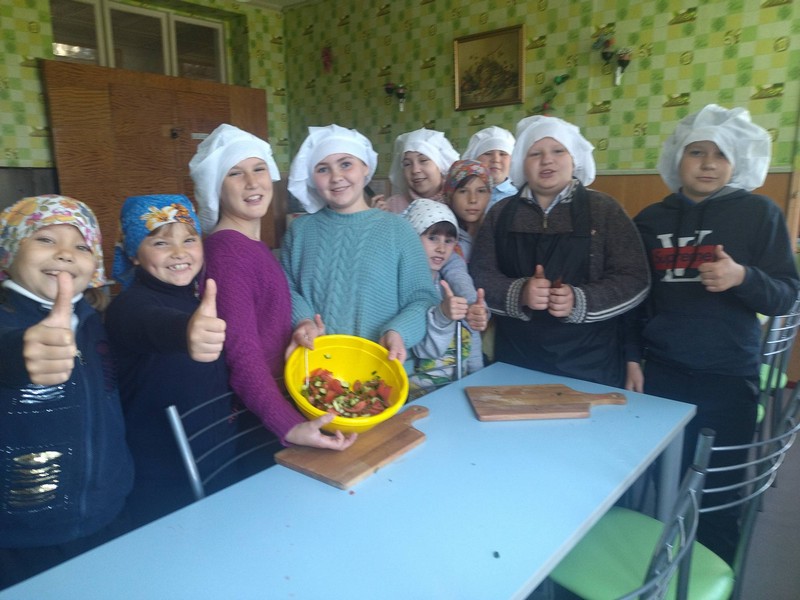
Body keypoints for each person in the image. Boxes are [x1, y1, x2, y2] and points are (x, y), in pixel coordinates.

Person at [624, 104, 800, 562]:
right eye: (696, 152)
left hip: (728, 377)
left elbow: (786, 295)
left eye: (720, 154)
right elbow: (636, 300)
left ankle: (712, 571)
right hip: (661, 374)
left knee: (718, 491)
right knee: (661, 481)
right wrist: (632, 356)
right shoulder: (650, 221)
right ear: (676, 158)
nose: (708, 163)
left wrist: (742, 278)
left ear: (737, 160)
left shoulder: (759, 214)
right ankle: (659, 570)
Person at [189, 123, 356, 451]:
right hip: (259, 420)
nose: (252, 182)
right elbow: (242, 354)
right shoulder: (228, 254)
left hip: (276, 403)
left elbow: (263, 324)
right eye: (235, 173)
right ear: (215, 189)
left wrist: (297, 328)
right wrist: (289, 426)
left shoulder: (252, 246)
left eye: (259, 169)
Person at [0, 195, 134, 589]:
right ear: (10, 250)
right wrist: (18, 354)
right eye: (45, 239)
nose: (65, 254)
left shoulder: (93, 320)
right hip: (21, 538)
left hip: (108, 513)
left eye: (81, 246)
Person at [469, 115, 650, 387]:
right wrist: (520, 293)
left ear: (574, 158)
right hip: (515, 362)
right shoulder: (500, 213)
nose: (547, 160)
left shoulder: (604, 209)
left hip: (591, 365)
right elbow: (480, 275)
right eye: (535, 153)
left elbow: (634, 278)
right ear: (522, 163)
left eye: (558, 151)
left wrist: (579, 300)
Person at [105, 194, 231, 527]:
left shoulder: (198, 300)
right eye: (161, 242)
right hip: (162, 479)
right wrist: (186, 331)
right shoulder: (127, 308)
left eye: (189, 239)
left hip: (215, 459)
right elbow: (153, 323)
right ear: (133, 254)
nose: (179, 252)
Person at [282, 124, 439, 364]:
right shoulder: (300, 231)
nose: (336, 177)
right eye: (323, 169)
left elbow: (422, 297)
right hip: (315, 368)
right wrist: (303, 320)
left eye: (346, 164)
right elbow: (286, 288)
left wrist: (398, 332)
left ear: (365, 167)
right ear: (312, 178)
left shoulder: (399, 230)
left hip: (381, 367)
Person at [403, 199, 487, 396]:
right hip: (415, 399)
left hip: (456, 392)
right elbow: (424, 349)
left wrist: (478, 379)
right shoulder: (401, 289)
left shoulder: (451, 288)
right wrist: (442, 315)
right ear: (411, 238)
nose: (441, 248)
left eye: (449, 241)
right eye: (432, 238)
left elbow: (471, 338)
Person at [381, 127, 459, 214]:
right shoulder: (393, 206)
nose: (415, 170)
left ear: (440, 165)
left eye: (423, 160)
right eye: (407, 164)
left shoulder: (458, 202)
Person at [442, 159, 493, 261]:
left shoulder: (496, 232)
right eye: (463, 191)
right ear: (450, 196)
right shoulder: (441, 237)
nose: (473, 199)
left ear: (490, 195)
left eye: (481, 191)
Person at [461, 126, 517, 210]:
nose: (496, 159)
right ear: (475, 160)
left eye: (502, 154)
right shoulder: (463, 194)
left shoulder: (519, 198)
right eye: (488, 153)